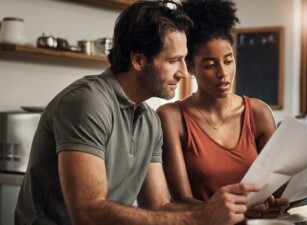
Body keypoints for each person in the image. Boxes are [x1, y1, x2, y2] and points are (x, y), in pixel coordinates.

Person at [14, 1, 262, 225]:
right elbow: (87, 212)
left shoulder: (150, 120)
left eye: (184, 61)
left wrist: (228, 210)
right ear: (139, 60)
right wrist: (200, 218)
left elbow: (159, 205)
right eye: (173, 61)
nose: (184, 73)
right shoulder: (87, 102)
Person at [157, 0, 307, 220]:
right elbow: (181, 201)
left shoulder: (258, 113)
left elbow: (281, 194)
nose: (223, 73)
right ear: (190, 66)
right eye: (210, 64)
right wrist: (238, 211)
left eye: (228, 61)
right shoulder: (172, 117)